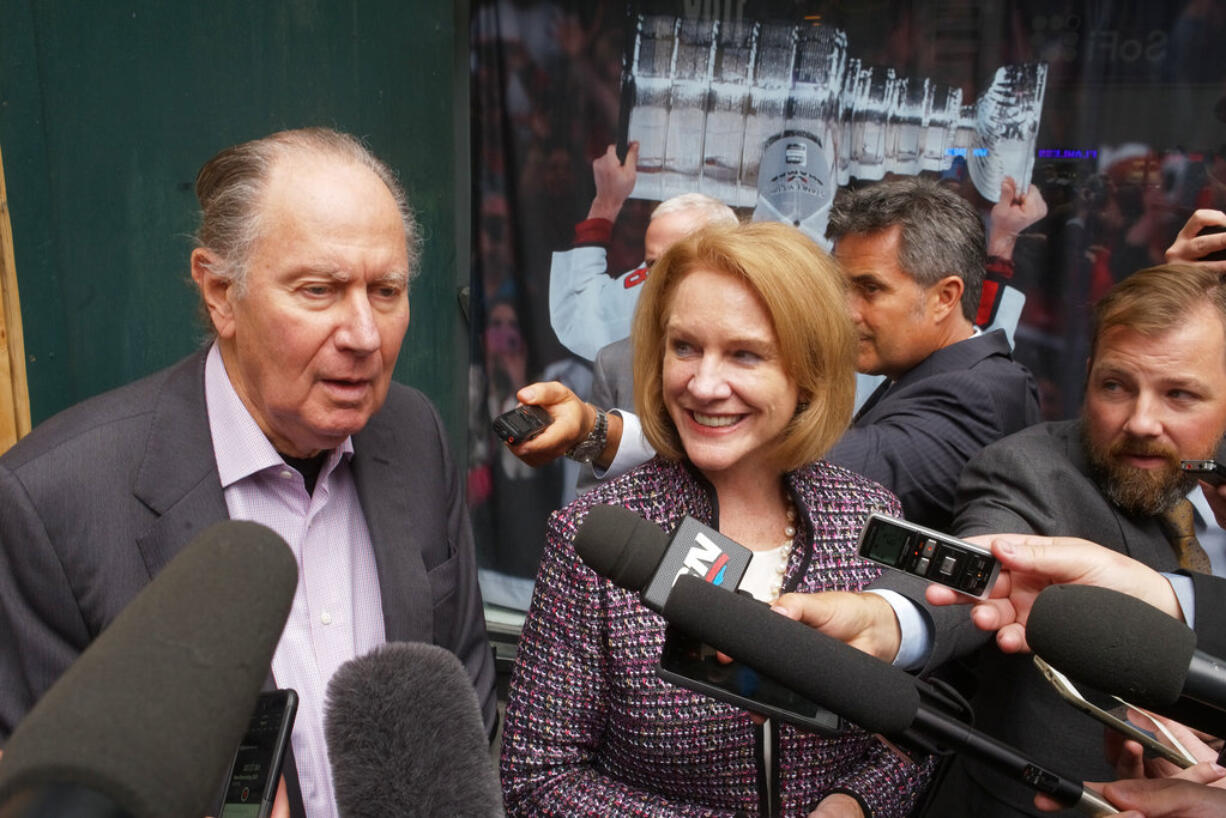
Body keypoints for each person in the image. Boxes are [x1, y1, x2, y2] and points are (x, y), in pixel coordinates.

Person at [0, 128, 496, 818]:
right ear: (220, 294)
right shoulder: (53, 502)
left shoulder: (414, 434)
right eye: (319, 290)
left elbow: (466, 700)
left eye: (386, 291)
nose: (363, 334)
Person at [500, 221, 933, 817]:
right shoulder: (596, 536)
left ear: (808, 371)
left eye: (744, 354)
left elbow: (910, 735)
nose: (702, 384)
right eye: (684, 348)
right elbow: (539, 780)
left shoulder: (866, 517)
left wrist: (855, 803)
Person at [777, 262, 1226, 816]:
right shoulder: (1031, 473)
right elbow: (980, 562)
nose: (1140, 421)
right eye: (1115, 386)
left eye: (1179, 395)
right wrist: (886, 618)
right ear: (1087, 377)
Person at [520, 177, 1042, 531]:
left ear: (945, 297)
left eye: (870, 289)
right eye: (685, 348)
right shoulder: (925, 371)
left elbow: (825, 470)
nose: (845, 310)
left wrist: (599, 429)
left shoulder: (979, 393)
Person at [548, 141, 738, 362]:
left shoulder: (760, 309)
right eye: (652, 265)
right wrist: (606, 204)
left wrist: (606, 204)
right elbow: (582, 320)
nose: (659, 278)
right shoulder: (649, 297)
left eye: (677, 265)